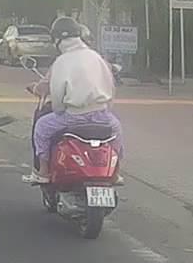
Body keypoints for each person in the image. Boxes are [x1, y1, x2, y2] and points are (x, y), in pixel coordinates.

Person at [24, 17, 122, 184]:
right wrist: (106, 108)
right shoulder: (96, 57)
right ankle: (116, 173)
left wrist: (59, 109)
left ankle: (43, 172)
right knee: (117, 133)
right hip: (102, 114)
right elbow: (111, 86)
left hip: (74, 116)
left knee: (41, 127)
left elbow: (57, 96)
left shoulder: (62, 61)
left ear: (57, 39)